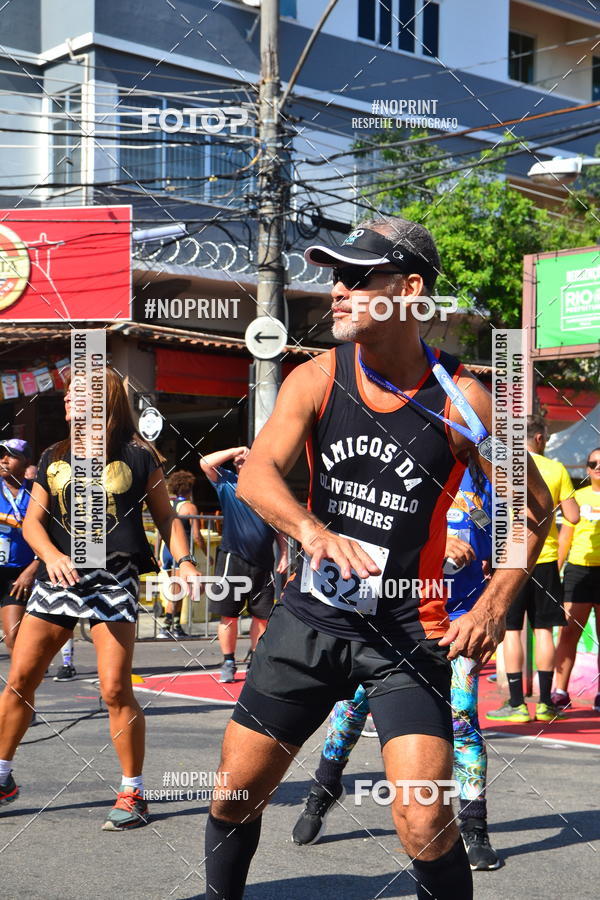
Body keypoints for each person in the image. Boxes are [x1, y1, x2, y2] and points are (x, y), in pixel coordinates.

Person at [203, 216, 552, 899]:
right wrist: (311, 532)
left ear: (408, 288)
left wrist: (492, 604)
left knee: (425, 818)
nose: (338, 291)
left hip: (404, 634)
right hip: (310, 622)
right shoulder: (315, 378)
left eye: (358, 278)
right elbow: (256, 475)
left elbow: (534, 510)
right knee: (235, 792)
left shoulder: (469, 402)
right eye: (336, 277)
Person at [0, 366, 201, 828]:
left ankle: (134, 792)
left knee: (114, 689)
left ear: (103, 403)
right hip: (59, 578)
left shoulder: (139, 455)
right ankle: (3, 777)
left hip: (114, 579)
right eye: (68, 396)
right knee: (20, 679)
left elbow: (167, 517)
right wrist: (48, 555)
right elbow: (32, 522)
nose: (67, 403)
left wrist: (185, 561)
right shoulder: (55, 454)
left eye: (77, 397)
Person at [291, 465, 500, 871]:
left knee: (462, 720)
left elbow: (518, 540)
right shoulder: (406, 463)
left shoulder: (491, 476)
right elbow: (365, 536)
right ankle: (323, 789)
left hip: (456, 618)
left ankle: (475, 827)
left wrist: (492, 609)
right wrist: (438, 546)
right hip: (390, 617)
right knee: (350, 711)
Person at [487, 415, 579, 724]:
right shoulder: (555, 469)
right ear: (539, 438)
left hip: (510, 558)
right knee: (544, 631)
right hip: (545, 556)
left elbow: (491, 512)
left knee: (511, 632)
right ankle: (545, 703)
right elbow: (574, 516)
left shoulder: (506, 469)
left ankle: (515, 704)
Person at [199, 446, 288, 683]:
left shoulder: (269, 489)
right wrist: (236, 450)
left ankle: (256, 662)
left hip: (263, 562)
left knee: (262, 617)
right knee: (229, 615)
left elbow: (277, 522)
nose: (240, 463)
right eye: (236, 462)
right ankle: (228, 661)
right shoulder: (228, 483)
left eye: (244, 461)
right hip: (233, 558)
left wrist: (285, 552)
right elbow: (205, 462)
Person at [553, 446, 600, 712]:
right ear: (587, 469)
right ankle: (560, 691)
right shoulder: (577, 496)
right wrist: (554, 572)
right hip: (578, 572)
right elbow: (565, 539)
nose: (598, 467)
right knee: (568, 632)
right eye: (593, 463)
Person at [0, 440, 38, 655]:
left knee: (13, 636)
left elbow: (52, 535)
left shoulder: (37, 493)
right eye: (1, 455)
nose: (3, 460)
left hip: (18, 574)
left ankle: (23, 682)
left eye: (11, 456)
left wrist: (31, 570)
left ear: (26, 463)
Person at [157, 469, 205, 639]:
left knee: (176, 588)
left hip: (166, 550)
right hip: (181, 553)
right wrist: (206, 553)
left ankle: (174, 626)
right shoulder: (190, 507)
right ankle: (168, 626)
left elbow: (158, 532)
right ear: (189, 488)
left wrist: (157, 555)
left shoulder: (168, 505)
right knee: (178, 590)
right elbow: (197, 535)